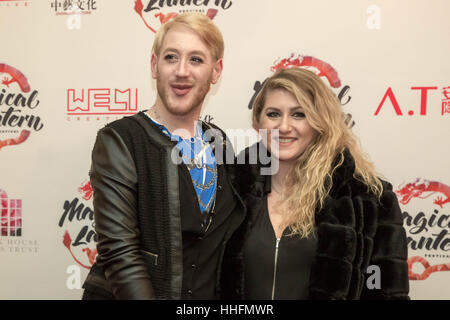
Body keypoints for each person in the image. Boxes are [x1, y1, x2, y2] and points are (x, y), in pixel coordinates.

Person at [81, 13, 245, 300]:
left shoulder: (218, 140)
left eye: (196, 59)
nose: (182, 71)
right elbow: (120, 255)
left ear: (216, 71)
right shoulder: (120, 139)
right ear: (154, 65)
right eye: (171, 57)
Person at [230, 68, 410, 300]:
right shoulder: (232, 189)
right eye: (273, 114)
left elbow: (387, 293)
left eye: (299, 114)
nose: (284, 127)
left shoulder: (369, 199)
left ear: (319, 122)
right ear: (257, 122)